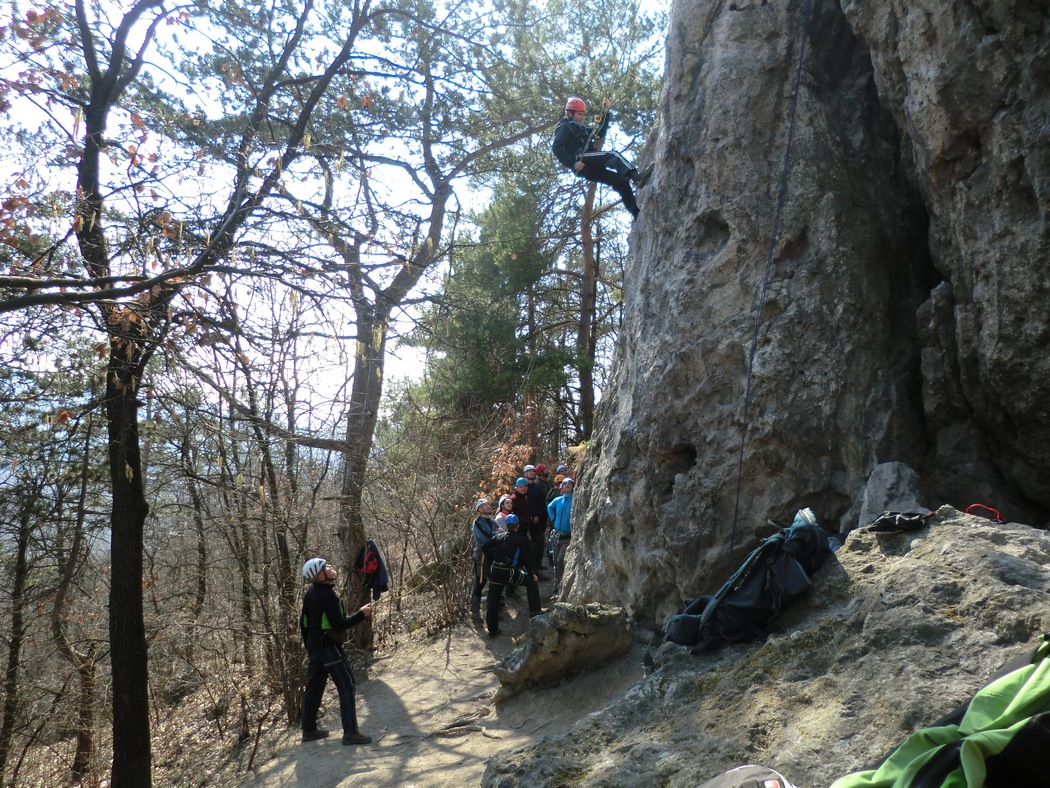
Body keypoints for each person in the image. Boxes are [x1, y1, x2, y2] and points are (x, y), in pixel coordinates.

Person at [299, 557, 373, 745]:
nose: (331, 567)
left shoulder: (310, 594)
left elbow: (304, 624)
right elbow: (339, 625)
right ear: (320, 576)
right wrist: (361, 614)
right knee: (347, 686)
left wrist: (310, 648)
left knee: (314, 687)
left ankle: (308, 730)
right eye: (326, 567)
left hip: (315, 647)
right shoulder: (328, 596)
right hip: (329, 648)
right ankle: (350, 733)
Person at [551, 96, 650, 219]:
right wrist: (572, 164)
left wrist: (606, 112)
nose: (582, 117)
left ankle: (636, 213)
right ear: (570, 114)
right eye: (579, 114)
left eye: (583, 115)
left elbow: (599, 132)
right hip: (582, 158)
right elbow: (557, 147)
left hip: (587, 166)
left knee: (620, 181)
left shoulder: (582, 129)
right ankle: (635, 177)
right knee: (612, 155)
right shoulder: (566, 126)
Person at [481, 514, 543, 638]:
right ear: (517, 526)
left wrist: (494, 557)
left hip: (495, 571)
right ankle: (535, 612)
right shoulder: (520, 539)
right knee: (531, 582)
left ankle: (492, 630)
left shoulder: (498, 536)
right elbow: (526, 559)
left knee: (493, 600)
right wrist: (533, 573)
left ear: (506, 525)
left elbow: (484, 547)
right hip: (508, 572)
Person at [470, 498, 498, 622]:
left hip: (493, 554)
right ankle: (475, 611)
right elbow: (485, 538)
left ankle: (492, 611)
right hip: (482, 556)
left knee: (495, 582)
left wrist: (494, 535)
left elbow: (499, 534)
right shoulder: (477, 523)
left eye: (488, 504)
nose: (488, 506)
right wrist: (495, 535)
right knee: (480, 582)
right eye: (484, 505)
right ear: (479, 509)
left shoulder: (493, 521)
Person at [547, 478, 575, 593]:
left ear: (573, 487)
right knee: (555, 562)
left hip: (568, 536)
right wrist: (553, 518)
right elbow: (549, 507)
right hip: (557, 536)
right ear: (561, 487)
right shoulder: (558, 500)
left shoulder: (575, 499)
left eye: (570, 484)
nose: (567, 485)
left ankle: (563, 584)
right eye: (565, 484)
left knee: (560, 560)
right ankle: (557, 585)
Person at [523, 464, 549, 572]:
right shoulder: (522, 488)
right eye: (529, 471)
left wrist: (537, 515)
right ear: (525, 474)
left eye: (533, 471)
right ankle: (528, 567)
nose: (532, 473)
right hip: (524, 520)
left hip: (536, 520)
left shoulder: (537, 488)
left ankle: (536, 566)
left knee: (539, 541)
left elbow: (541, 503)